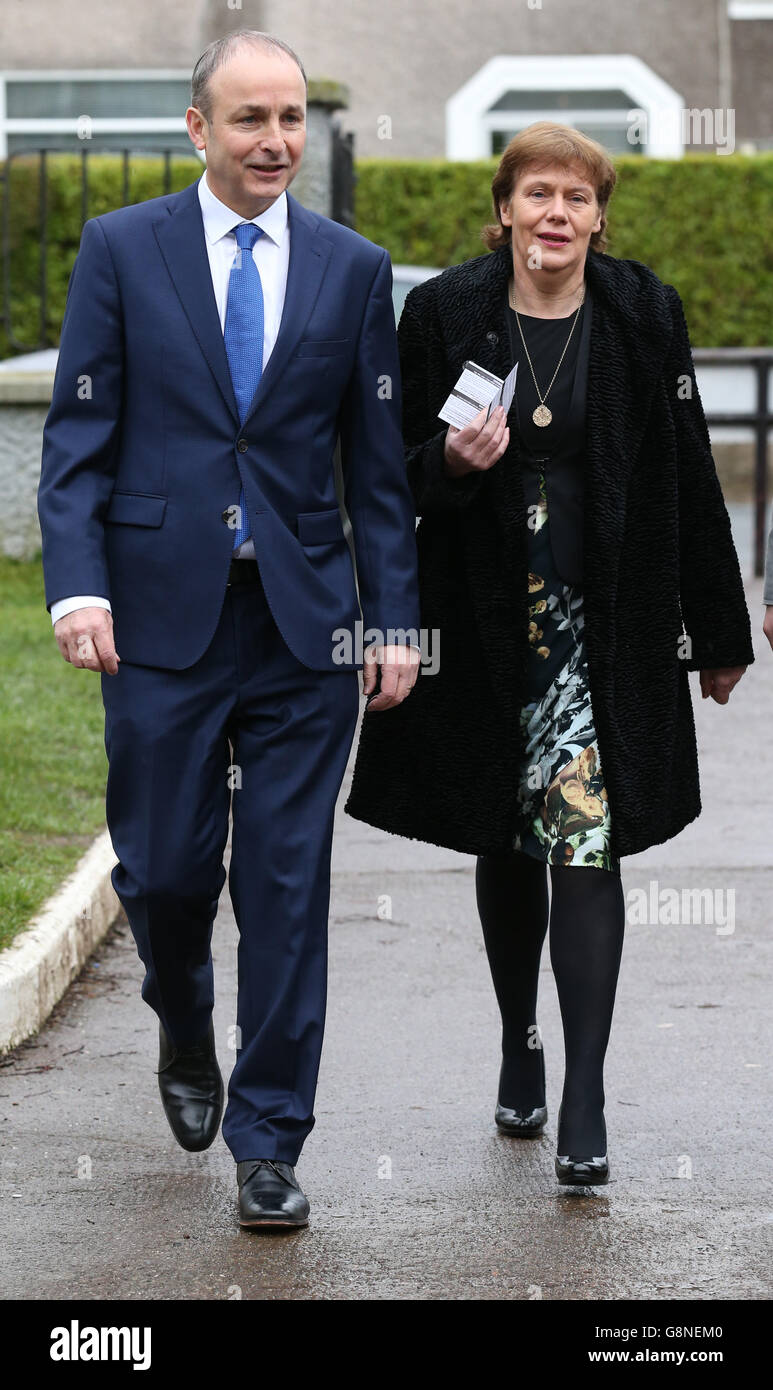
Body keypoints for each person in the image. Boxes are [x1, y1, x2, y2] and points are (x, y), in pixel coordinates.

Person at [37, 28, 420, 1229]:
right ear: (199, 128)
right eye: (249, 119)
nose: (275, 141)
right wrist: (78, 585)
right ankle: (180, 1015)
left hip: (306, 625)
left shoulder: (354, 268)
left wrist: (393, 619)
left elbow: (376, 471)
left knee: (287, 881)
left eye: (292, 118)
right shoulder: (121, 247)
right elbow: (76, 440)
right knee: (161, 871)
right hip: (157, 618)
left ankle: (269, 1139)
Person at [344, 121, 754, 1186]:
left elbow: (684, 469)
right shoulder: (444, 315)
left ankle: (583, 1090)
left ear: (597, 215)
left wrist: (712, 627)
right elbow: (387, 481)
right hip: (485, 627)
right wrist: (448, 458)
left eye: (574, 196)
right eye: (537, 194)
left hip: (601, 629)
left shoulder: (639, 311)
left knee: (584, 842)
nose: (555, 214)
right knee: (503, 832)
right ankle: (516, 1036)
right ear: (505, 209)